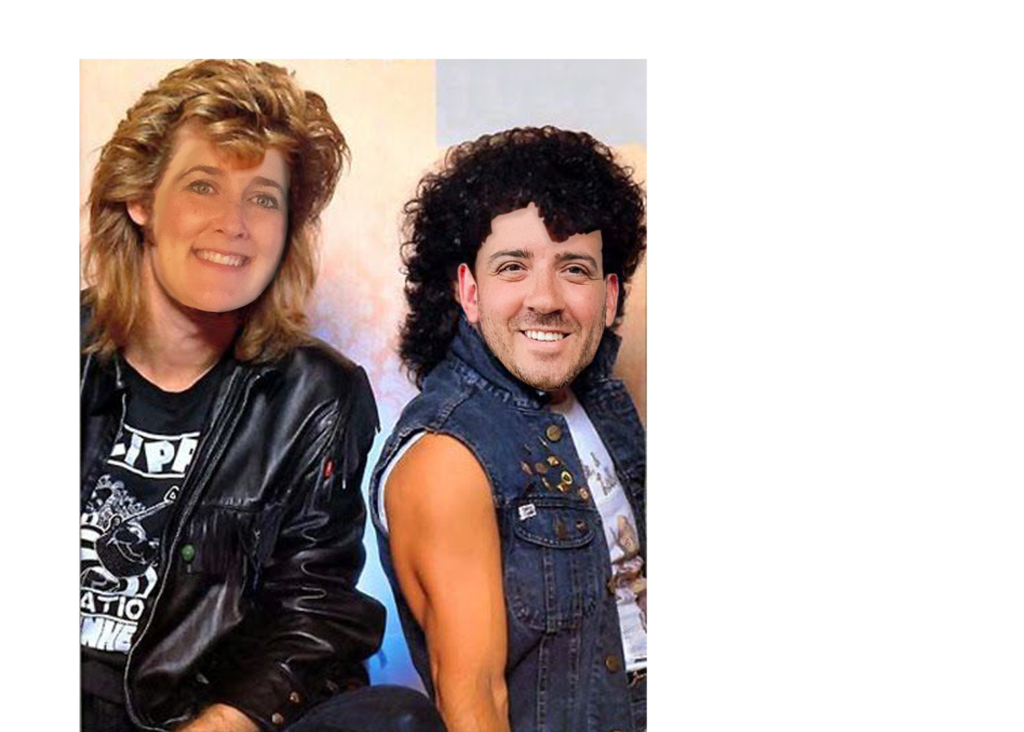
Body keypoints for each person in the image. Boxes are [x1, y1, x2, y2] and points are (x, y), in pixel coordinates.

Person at [80, 58, 443, 732]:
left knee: (396, 718)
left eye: (264, 198)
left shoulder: (318, 397)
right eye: (203, 186)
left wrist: (219, 725)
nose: (235, 222)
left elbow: (313, 614)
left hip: (197, 713)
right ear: (141, 201)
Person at [370, 126, 650, 732]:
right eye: (513, 267)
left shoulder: (604, 403)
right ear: (469, 292)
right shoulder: (447, 458)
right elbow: (475, 701)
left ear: (608, 296)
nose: (544, 298)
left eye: (573, 269)